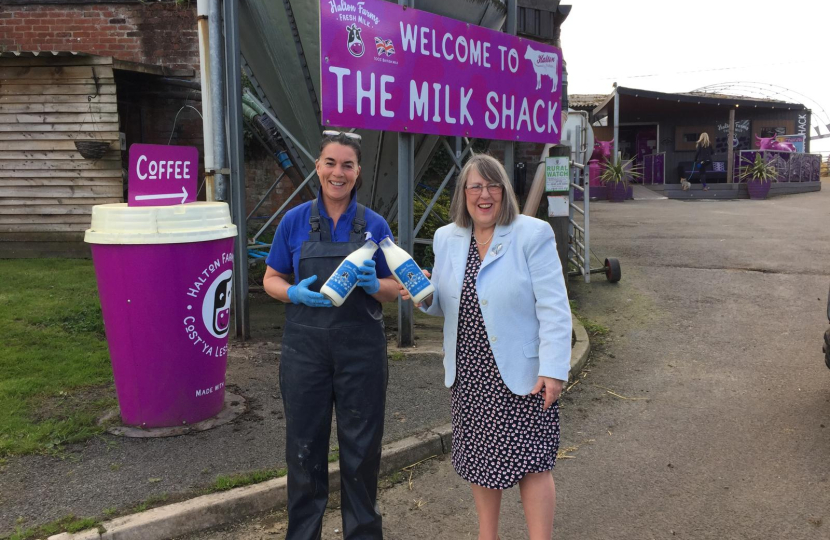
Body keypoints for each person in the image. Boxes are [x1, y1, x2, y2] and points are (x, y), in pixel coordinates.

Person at [402, 154, 572, 540]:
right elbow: (445, 304)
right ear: (463, 195)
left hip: (524, 372)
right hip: (471, 371)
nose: (484, 194)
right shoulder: (448, 238)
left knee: (532, 464)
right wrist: (424, 295)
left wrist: (554, 368)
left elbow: (554, 306)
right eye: (475, 186)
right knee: (481, 462)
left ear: (504, 192)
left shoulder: (532, 233)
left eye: (492, 185)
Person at [263, 130, 400, 540]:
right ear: (317, 167)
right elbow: (271, 278)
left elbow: (398, 288)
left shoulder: (374, 224)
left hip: (361, 351)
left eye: (347, 165)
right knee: (304, 453)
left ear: (358, 172)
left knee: (361, 454)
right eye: (330, 163)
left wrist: (374, 285)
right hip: (305, 352)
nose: (337, 172)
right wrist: (292, 293)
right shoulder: (293, 221)